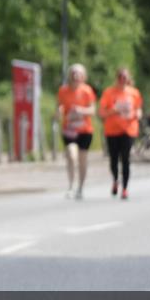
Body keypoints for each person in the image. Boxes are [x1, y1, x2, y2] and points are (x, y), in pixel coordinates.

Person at [99, 67, 143, 200]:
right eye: (120, 77)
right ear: (117, 78)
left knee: (126, 159)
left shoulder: (134, 93)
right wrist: (114, 110)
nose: (122, 80)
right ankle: (115, 180)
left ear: (128, 79)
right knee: (113, 159)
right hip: (112, 130)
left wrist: (135, 114)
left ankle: (124, 188)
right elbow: (101, 113)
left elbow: (139, 110)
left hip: (128, 130)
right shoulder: (109, 93)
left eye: (125, 77)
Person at [56, 64, 96, 200]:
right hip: (69, 130)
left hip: (85, 130)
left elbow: (92, 110)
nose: (76, 76)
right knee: (71, 156)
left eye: (79, 73)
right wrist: (59, 112)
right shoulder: (63, 91)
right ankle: (71, 186)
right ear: (70, 75)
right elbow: (59, 108)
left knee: (82, 160)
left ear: (83, 76)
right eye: (74, 73)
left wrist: (81, 110)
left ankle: (81, 187)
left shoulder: (87, 91)